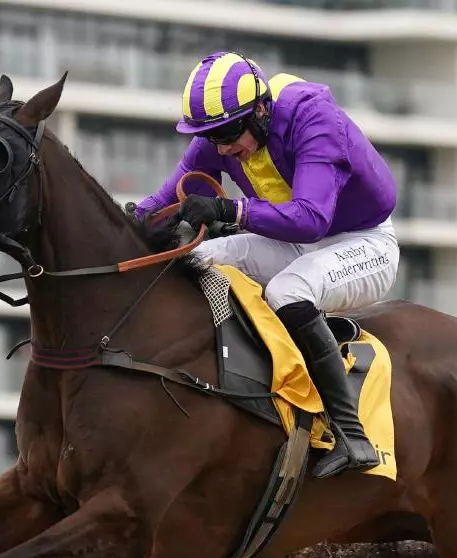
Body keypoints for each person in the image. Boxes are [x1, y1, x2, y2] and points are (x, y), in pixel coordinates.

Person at [131, 51, 400, 479]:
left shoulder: (314, 120)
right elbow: (166, 199)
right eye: (212, 137)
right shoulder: (227, 127)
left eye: (229, 135)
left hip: (364, 242)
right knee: (192, 260)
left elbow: (311, 218)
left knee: (286, 291)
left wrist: (229, 209)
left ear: (260, 110)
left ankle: (353, 435)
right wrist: (130, 224)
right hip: (291, 239)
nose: (222, 149)